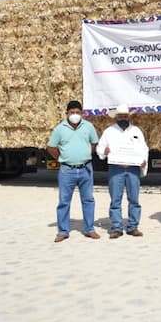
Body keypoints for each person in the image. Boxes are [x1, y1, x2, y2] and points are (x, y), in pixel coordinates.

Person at [46, 100, 100, 242]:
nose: (75, 115)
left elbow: (94, 143)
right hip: (67, 170)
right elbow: (51, 147)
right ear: (67, 113)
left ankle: (89, 229)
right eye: (72, 112)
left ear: (81, 113)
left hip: (85, 169)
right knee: (64, 201)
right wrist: (62, 158)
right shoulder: (59, 129)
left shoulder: (88, 126)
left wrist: (85, 155)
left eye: (77, 112)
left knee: (88, 200)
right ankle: (63, 231)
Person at [97, 104, 149, 238]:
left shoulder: (136, 131)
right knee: (115, 199)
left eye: (125, 116)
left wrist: (143, 160)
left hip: (133, 169)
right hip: (116, 168)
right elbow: (99, 148)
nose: (123, 118)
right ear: (116, 117)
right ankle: (117, 228)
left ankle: (133, 226)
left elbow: (144, 148)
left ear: (128, 116)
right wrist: (104, 151)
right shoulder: (109, 131)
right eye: (120, 116)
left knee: (134, 199)